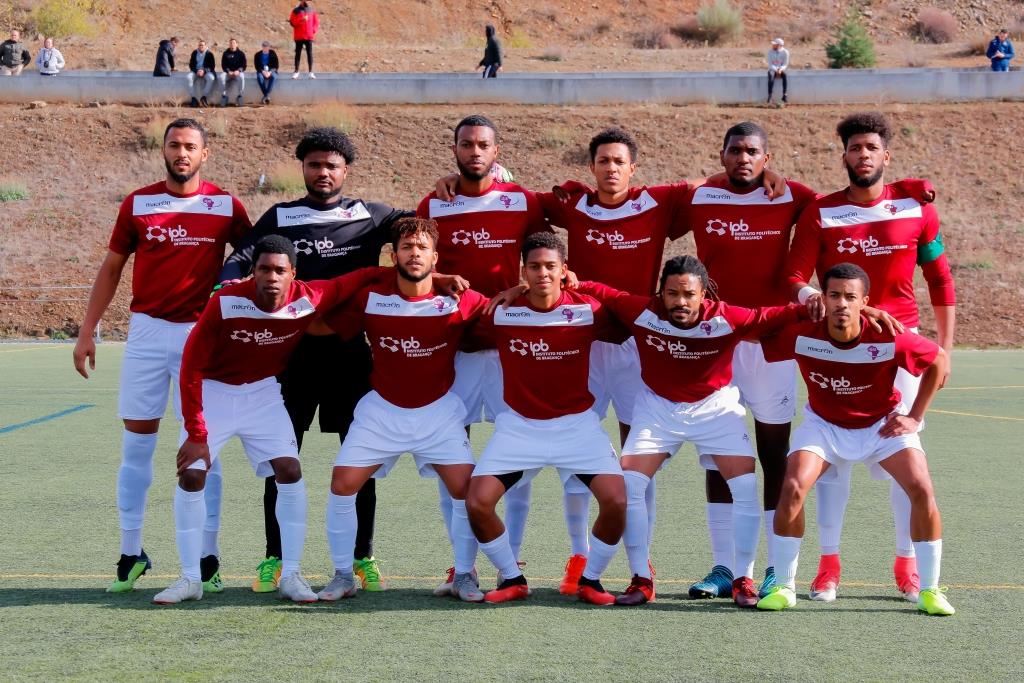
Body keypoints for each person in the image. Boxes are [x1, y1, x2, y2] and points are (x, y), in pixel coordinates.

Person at [569, 257, 824, 607]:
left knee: (745, 486)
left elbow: (770, 317)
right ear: (661, 293)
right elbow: (607, 294)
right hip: (657, 409)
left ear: (703, 293)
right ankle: (641, 578)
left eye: (689, 294)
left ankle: (742, 579)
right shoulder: (642, 310)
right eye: (672, 293)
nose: (680, 302)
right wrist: (575, 282)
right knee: (629, 485)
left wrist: (807, 306)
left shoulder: (725, 317)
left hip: (715, 409)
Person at [220, 127, 411, 594]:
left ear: (347, 170)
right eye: (314, 165)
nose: (323, 172)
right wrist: (226, 286)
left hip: (351, 355)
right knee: (282, 457)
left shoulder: (372, 215)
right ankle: (275, 559)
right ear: (302, 168)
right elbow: (240, 257)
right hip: (290, 356)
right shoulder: (281, 216)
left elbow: (418, 231)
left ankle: (363, 556)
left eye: (332, 165)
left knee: (359, 458)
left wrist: (448, 188)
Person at [156, 236, 392, 605]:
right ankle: (189, 579)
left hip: (263, 395)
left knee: (290, 470)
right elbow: (191, 367)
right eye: (264, 268)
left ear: (293, 274)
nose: (271, 277)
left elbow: (362, 276)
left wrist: (435, 278)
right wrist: (196, 431)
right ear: (254, 271)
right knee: (191, 473)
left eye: (280, 270)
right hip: (215, 393)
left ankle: (292, 575)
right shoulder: (226, 300)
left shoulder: (308, 298)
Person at [72, 118, 252, 595]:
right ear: (164, 150)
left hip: (203, 334)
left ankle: (207, 557)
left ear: (205, 154)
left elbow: (255, 260)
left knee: (202, 449)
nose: (182, 153)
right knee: (137, 446)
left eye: (191, 146)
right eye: (175, 145)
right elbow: (112, 268)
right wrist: (87, 329)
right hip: (147, 333)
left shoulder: (226, 205)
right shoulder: (138, 203)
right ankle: (131, 552)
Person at [786, 111, 956, 603]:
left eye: (870, 148)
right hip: (840, 344)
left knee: (902, 462)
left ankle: (907, 566)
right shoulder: (820, 211)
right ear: (843, 156)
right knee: (830, 464)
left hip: (899, 352)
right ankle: (828, 566)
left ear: (886, 155)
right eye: (854, 148)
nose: (862, 156)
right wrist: (809, 298)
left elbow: (940, 279)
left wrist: (944, 347)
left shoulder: (917, 207)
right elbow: (796, 276)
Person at [756, 263, 954, 616]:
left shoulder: (887, 333)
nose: (842, 304)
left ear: (866, 301)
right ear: (824, 298)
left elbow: (938, 361)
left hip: (881, 426)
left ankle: (930, 589)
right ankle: (785, 587)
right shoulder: (803, 333)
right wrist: (800, 308)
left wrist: (915, 416)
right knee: (793, 487)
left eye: (851, 297)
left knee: (922, 488)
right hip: (824, 426)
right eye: (834, 295)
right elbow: (754, 330)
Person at [316, 218, 487, 603]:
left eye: (421, 248)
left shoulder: (458, 299)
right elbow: (323, 325)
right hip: (382, 412)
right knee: (342, 485)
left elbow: (499, 314)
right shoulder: (371, 296)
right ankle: (343, 575)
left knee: (467, 491)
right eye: (407, 248)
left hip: (438, 413)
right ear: (394, 255)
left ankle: (464, 577)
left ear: (434, 257)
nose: (414, 254)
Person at [416, 114, 551, 597]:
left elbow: (547, 255)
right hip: (452, 347)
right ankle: (462, 565)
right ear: (454, 149)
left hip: (510, 348)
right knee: (453, 457)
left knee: (518, 454)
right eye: (467, 144)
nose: (475, 151)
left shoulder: (522, 200)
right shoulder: (435, 202)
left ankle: (508, 558)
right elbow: (415, 266)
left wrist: (521, 285)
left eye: (483, 144)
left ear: (498, 151)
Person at [467, 232, 627, 606]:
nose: (543, 274)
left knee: (618, 501)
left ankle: (591, 580)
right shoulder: (502, 311)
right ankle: (512, 577)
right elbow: (463, 332)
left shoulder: (589, 310)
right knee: (477, 502)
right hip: (519, 427)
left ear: (563, 271)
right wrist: (506, 292)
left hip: (577, 426)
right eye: (535, 267)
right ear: (523, 271)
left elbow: (627, 322)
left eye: (550, 267)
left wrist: (589, 288)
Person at [290, 0, 319, 79]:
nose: (308, 2)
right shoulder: (295, 11)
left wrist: (313, 30)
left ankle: (311, 72)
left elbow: (316, 23)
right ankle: (296, 72)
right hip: (299, 36)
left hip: (309, 36)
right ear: (302, 1)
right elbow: (292, 23)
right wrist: (301, 20)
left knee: (309, 54)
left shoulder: (312, 10)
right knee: (297, 54)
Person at [187, 39, 216, 107]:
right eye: (200, 45)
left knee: (211, 78)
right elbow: (191, 65)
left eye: (203, 45)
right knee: (188, 77)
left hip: (206, 71)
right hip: (196, 71)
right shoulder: (194, 53)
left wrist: (204, 71)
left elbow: (212, 66)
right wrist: (196, 71)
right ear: (198, 46)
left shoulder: (209, 54)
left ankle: (204, 97)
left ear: (205, 46)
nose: (201, 46)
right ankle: (193, 98)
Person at [219, 38, 246, 107]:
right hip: (228, 73)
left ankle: (240, 96)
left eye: (234, 43)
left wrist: (238, 71)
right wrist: (228, 71)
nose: (232, 44)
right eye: (231, 43)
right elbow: (223, 65)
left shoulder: (241, 54)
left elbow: (244, 65)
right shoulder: (225, 53)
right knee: (221, 77)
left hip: (237, 73)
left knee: (242, 77)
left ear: (237, 44)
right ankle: (224, 96)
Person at [766, 38, 789, 104]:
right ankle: (770, 96)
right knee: (771, 77)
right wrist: (776, 70)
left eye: (774, 44)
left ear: (779, 45)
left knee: (785, 76)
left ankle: (784, 95)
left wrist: (781, 69)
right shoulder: (770, 52)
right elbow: (770, 64)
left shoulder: (785, 52)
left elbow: (785, 64)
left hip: (781, 69)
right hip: (773, 69)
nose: (773, 45)